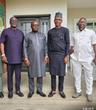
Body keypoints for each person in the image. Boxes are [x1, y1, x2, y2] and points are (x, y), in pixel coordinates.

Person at [70, 17, 96, 102]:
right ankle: (78, 91)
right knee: (77, 76)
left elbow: (94, 45)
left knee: (89, 76)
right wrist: (67, 54)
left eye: (84, 22)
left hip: (87, 58)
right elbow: (72, 46)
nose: (82, 23)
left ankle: (89, 93)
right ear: (78, 23)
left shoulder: (91, 33)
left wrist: (95, 56)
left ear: (86, 23)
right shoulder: (74, 34)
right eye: (80, 22)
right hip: (76, 58)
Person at [0, 16, 24, 98]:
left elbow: (23, 46)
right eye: (12, 20)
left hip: (19, 59)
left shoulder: (21, 33)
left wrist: (24, 57)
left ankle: (18, 90)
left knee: (18, 76)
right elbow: (2, 43)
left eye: (15, 20)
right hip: (9, 59)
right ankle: (10, 91)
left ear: (17, 22)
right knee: (9, 76)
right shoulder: (5, 31)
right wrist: (3, 54)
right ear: (10, 22)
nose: (14, 22)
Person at [47, 12, 70, 98]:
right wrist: (48, 56)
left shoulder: (65, 30)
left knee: (61, 74)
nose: (58, 21)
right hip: (52, 55)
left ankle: (61, 90)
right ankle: (53, 90)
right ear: (54, 21)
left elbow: (68, 43)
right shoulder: (50, 32)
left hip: (62, 55)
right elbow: (48, 44)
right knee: (53, 74)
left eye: (59, 19)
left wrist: (66, 55)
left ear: (61, 21)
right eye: (56, 19)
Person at [23, 19, 48, 98]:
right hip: (31, 58)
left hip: (41, 58)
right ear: (31, 26)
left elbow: (45, 46)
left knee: (40, 74)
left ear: (39, 26)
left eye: (37, 25)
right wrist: (26, 58)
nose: (35, 26)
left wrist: (46, 55)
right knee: (31, 75)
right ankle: (31, 91)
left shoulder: (42, 35)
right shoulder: (27, 35)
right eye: (34, 25)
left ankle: (39, 90)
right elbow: (24, 47)